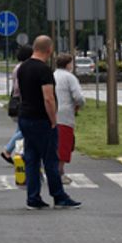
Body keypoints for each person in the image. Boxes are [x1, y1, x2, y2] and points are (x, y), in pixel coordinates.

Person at [16, 35, 81, 210]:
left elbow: (20, 93)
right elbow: (49, 98)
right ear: (49, 50)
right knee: (51, 159)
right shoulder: (43, 70)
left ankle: (33, 197)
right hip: (41, 119)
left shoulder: (23, 68)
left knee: (32, 158)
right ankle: (59, 196)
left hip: (25, 117)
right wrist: (53, 120)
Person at [53, 53, 86, 184]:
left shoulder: (52, 75)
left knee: (54, 145)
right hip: (65, 115)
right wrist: (81, 104)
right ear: (68, 64)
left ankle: (53, 171)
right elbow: (78, 97)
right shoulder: (69, 77)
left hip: (52, 114)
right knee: (64, 145)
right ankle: (60, 173)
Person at [0, 44, 34, 165]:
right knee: (25, 130)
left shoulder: (19, 67)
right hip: (22, 100)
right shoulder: (23, 68)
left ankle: (19, 153)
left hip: (18, 99)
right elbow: (18, 86)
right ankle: (7, 150)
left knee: (20, 129)